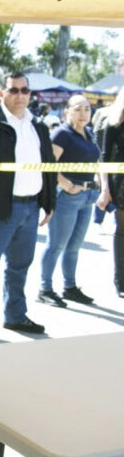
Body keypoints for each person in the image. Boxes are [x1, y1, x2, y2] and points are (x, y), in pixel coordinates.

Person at [0, 72, 56, 342]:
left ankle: (15, 315)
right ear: (2, 92)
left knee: (20, 266)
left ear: (30, 94)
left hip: (30, 208)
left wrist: (49, 202)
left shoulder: (37, 126)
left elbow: (48, 166)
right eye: (13, 90)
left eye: (24, 90)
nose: (19, 95)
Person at [38, 94, 99, 307]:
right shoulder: (62, 134)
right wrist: (65, 184)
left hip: (88, 197)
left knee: (74, 246)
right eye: (78, 109)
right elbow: (48, 165)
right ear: (67, 112)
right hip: (68, 196)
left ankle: (70, 287)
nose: (83, 113)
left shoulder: (89, 134)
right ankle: (45, 288)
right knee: (56, 245)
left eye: (87, 109)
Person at [96, 86, 124, 298]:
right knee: (122, 231)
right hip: (121, 182)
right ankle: (120, 281)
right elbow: (104, 158)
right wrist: (105, 189)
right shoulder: (114, 122)